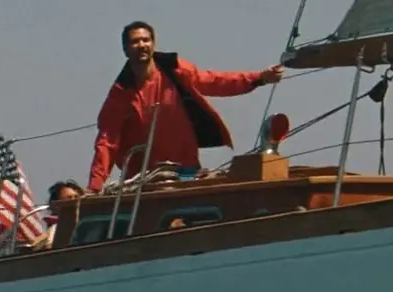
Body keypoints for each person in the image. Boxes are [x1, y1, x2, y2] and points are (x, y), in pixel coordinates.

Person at [89, 21, 285, 192]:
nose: (141, 45)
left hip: (187, 170)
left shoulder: (174, 69)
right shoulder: (120, 93)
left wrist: (259, 78)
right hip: (147, 179)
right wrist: (95, 187)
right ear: (125, 49)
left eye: (146, 40)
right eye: (135, 42)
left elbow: (213, 81)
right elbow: (107, 142)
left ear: (153, 44)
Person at [28, 181, 83, 250]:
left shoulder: (89, 224)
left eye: (76, 197)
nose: (74, 201)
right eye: (69, 198)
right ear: (56, 205)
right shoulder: (52, 233)